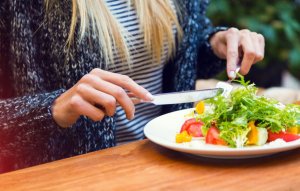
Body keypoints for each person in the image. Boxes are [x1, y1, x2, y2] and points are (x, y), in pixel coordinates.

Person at [0, 0, 264, 173]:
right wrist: (52, 109)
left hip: (176, 166)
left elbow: (182, 55)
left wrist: (215, 43)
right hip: (79, 178)